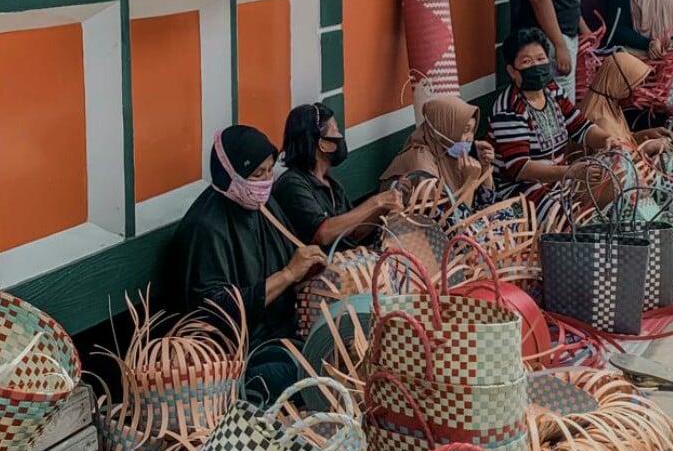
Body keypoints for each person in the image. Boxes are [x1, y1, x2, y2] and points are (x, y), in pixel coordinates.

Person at [174, 124, 326, 404]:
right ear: (230, 175)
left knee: (332, 352)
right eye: (257, 174)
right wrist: (289, 273)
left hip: (280, 337)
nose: (266, 181)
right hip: (237, 361)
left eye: (269, 171)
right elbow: (217, 308)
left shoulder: (264, 208)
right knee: (311, 373)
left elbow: (292, 257)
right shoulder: (206, 228)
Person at [488, 29, 619, 221]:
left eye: (541, 59)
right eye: (527, 62)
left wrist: (606, 139)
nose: (536, 66)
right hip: (518, 190)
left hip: (557, 181)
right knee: (569, 223)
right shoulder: (509, 109)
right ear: (512, 71)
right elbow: (520, 168)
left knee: (611, 195)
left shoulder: (552, 91)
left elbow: (580, 126)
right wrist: (569, 172)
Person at [273, 102, 401, 250]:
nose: (340, 137)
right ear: (322, 143)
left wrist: (382, 208)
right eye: (336, 131)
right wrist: (376, 202)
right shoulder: (292, 185)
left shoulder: (331, 183)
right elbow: (323, 234)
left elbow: (351, 234)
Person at [379, 95, 494, 217]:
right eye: (465, 130)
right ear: (443, 129)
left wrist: (485, 167)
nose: (470, 138)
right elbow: (451, 226)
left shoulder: (449, 154)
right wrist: (470, 182)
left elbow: (485, 205)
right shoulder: (421, 164)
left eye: (472, 130)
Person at [580, 51, 673, 153]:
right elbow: (614, 164)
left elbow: (621, 142)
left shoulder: (609, 104)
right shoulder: (600, 120)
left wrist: (644, 135)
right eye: (635, 85)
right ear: (619, 83)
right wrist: (647, 148)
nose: (640, 90)